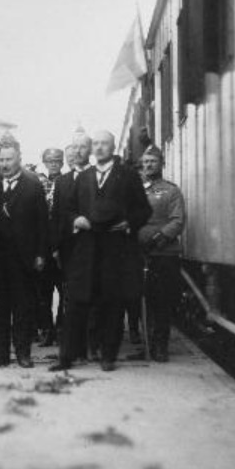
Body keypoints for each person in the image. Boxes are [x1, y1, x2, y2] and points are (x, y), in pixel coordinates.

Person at [53, 130, 152, 372]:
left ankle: (108, 356)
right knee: (76, 303)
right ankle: (67, 357)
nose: (99, 148)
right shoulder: (84, 177)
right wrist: (76, 220)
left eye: (104, 144)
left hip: (115, 250)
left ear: (113, 146)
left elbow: (143, 209)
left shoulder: (127, 175)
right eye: (95, 144)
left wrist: (129, 222)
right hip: (86, 249)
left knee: (111, 304)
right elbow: (68, 209)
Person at [0, 133, 49, 368]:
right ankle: (0, 355)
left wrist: (40, 254)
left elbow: (42, 223)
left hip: (24, 258)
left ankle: (23, 353)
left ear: (19, 158)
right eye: (1, 160)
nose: (5, 165)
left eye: (9, 159)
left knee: (23, 307)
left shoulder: (33, 185)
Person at [134, 146, 186, 362]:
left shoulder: (171, 191)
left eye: (152, 162)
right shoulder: (135, 190)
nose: (148, 166)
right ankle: (146, 343)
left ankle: (160, 346)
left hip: (163, 254)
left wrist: (158, 239)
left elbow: (177, 220)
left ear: (161, 164)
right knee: (141, 300)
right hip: (138, 253)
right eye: (145, 162)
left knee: (161, 301)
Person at [36, 147, 65, 347]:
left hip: (63, 244)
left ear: (62, 163)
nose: (53, 164)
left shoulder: (68, 182)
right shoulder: (38, 183)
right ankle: (47, 329)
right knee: (43, 291)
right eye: (50, 161)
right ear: (44, 163)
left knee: (65, 290)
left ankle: (62, 328)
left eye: (57, 161)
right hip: (43, 244)